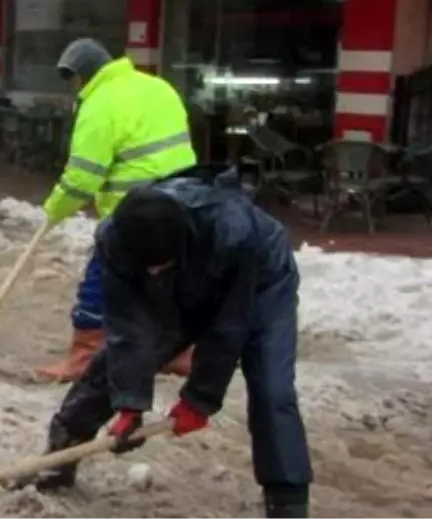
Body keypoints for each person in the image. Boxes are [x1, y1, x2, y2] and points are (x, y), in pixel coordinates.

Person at [21, 170, 312, 519]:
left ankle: (287, 499)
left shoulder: (234, 232)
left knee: (271, 388)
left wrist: (200, 399)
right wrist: (130, 402)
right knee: (112, 361)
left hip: (262, 284)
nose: (155, 273)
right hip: (186, 277)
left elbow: (229, 326)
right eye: (150, 269)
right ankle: (62, 450)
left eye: (162, 265)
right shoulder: (117, 241)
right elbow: (128, 327)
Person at [35, 38, 197, 381]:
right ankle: (180, 353)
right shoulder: (158, 87)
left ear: (82, 76)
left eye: (72, 80)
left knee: (101, 278)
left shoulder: (98, 106)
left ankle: (85, 355)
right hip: (186, 203)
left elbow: (82, 179)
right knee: (167, 280)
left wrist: (53, 210)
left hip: (135, 214)